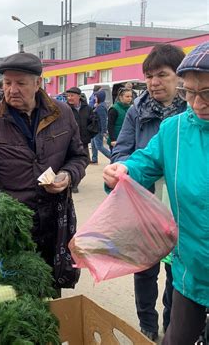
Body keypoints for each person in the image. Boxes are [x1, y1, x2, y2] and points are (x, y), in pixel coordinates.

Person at [103, 41, 209, 345]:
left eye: (207, 93)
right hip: (190, 267)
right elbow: (145, 160)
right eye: (190, 92)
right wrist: (124, 170)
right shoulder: (174, 129)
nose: (197, 103)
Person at [0, 52, 88, 292]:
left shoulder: (63, 114)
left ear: (38, 83)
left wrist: (68, 175)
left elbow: (79, 156)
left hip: (54, 223)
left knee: (51, 288)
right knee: (14, 293)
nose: (12, 89)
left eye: (20, 83)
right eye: (7, 83)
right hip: (13, 227)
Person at [66, 86, 99, 192]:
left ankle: (75, 180)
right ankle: (73, 184)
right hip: (69, 142)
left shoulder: (87, 108)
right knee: (70, 162)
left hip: (83, 141)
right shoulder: (65, 109)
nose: (69, 98)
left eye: (72, 96)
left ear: (79, 96)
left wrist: (89, 134)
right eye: (68, 96)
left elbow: (94, 122)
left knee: (85, 162)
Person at [90, 90, 112, 164]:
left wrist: (103, 131)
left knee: (99, 146)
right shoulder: (99, 105)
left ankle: (113, 158)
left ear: (100, 97)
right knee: (93, 144)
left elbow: (103, 119)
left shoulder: (101, 107)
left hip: (98, 129)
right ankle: (94, 159)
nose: (94, 98)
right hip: (95, 128)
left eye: (96, 97)